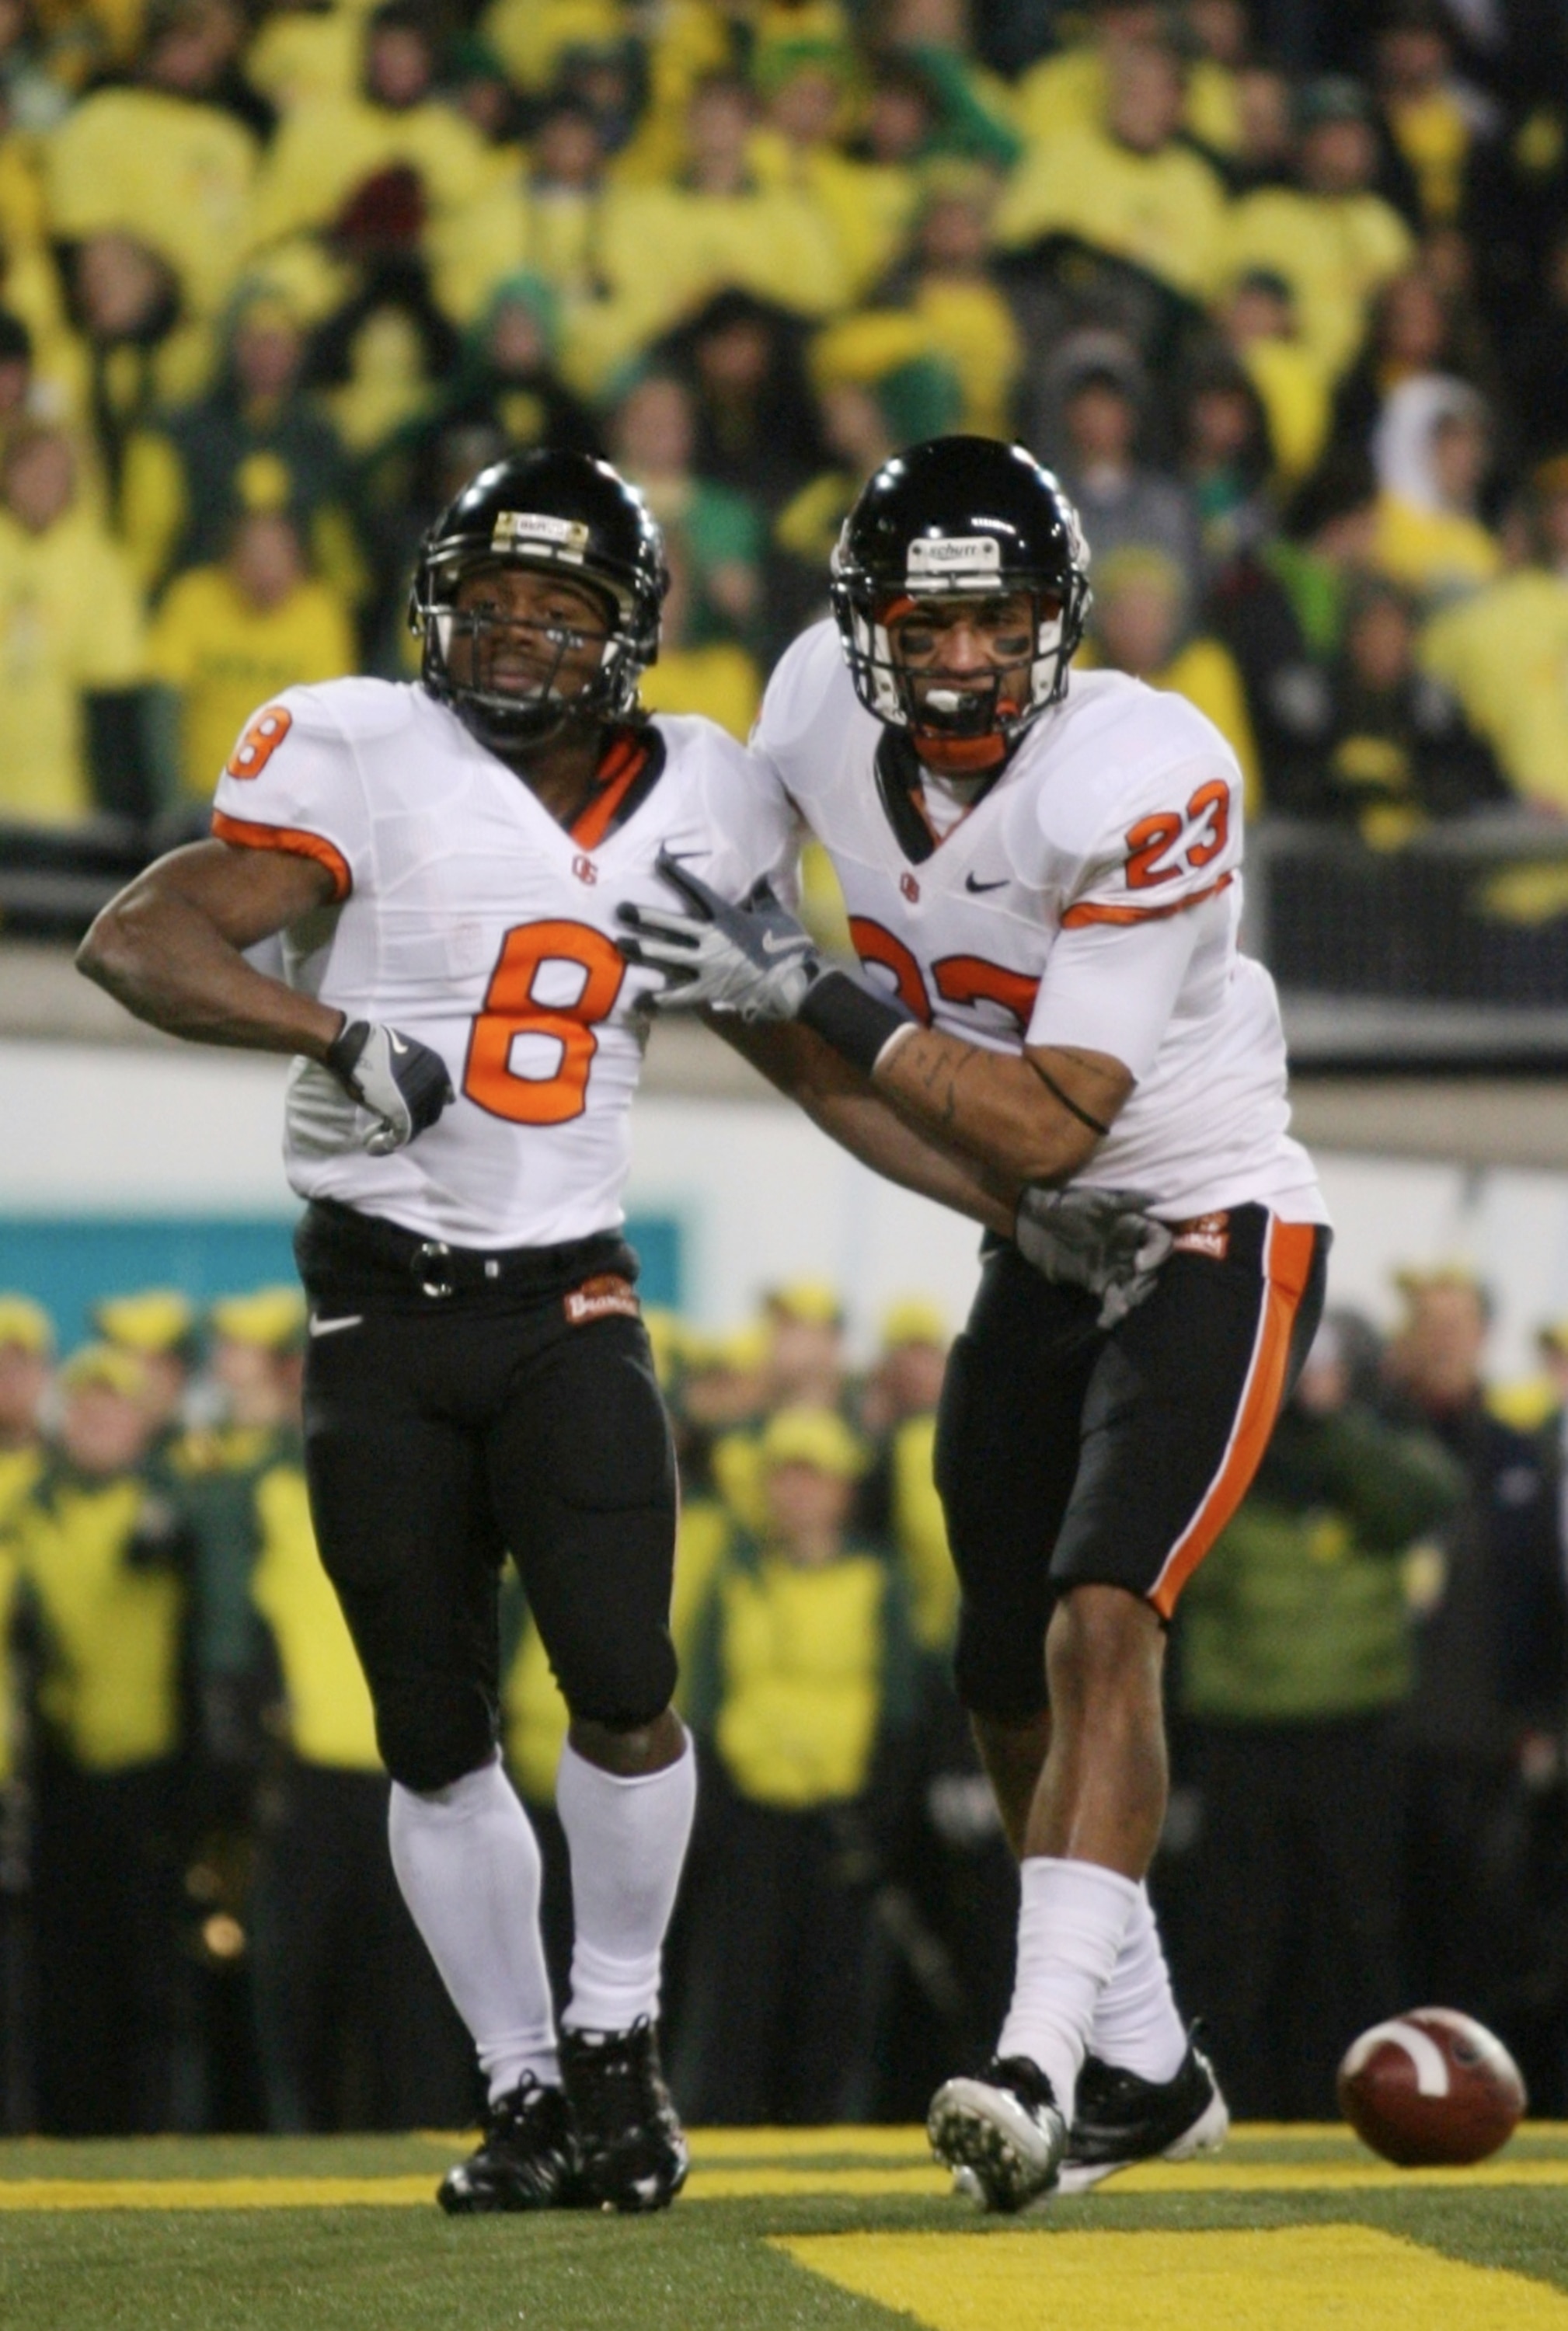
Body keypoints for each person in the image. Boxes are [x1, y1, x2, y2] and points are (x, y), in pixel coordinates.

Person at [74, 445, 1016, 2207]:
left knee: (626, 1685)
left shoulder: (709, 802)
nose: (511, 634)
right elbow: (138, 939)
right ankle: (518, 2094)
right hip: (371, 1310)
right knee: (428, 1732)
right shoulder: (361, 749)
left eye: (556, 607)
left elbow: (811, 1063)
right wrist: (331, 1037)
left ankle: (613, 2047)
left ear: (626, 634)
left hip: (567, 1297)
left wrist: (1008, 1202)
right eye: (490, 598)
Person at [619, 433, 1331, 2210]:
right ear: (857, 628)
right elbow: (838, 1078)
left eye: (990, 623)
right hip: (1047, 1235)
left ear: (1057, 623)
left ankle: (1042, 2066)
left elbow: (1049, 1109)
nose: (951, 663)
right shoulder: (799, 715)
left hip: (1210, 1214)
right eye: (916, 627)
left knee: (1107, 1618)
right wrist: (997, 1211)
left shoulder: (1145, 768)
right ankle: (1153, 2070)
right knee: (999, 1670)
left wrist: (822, 995)